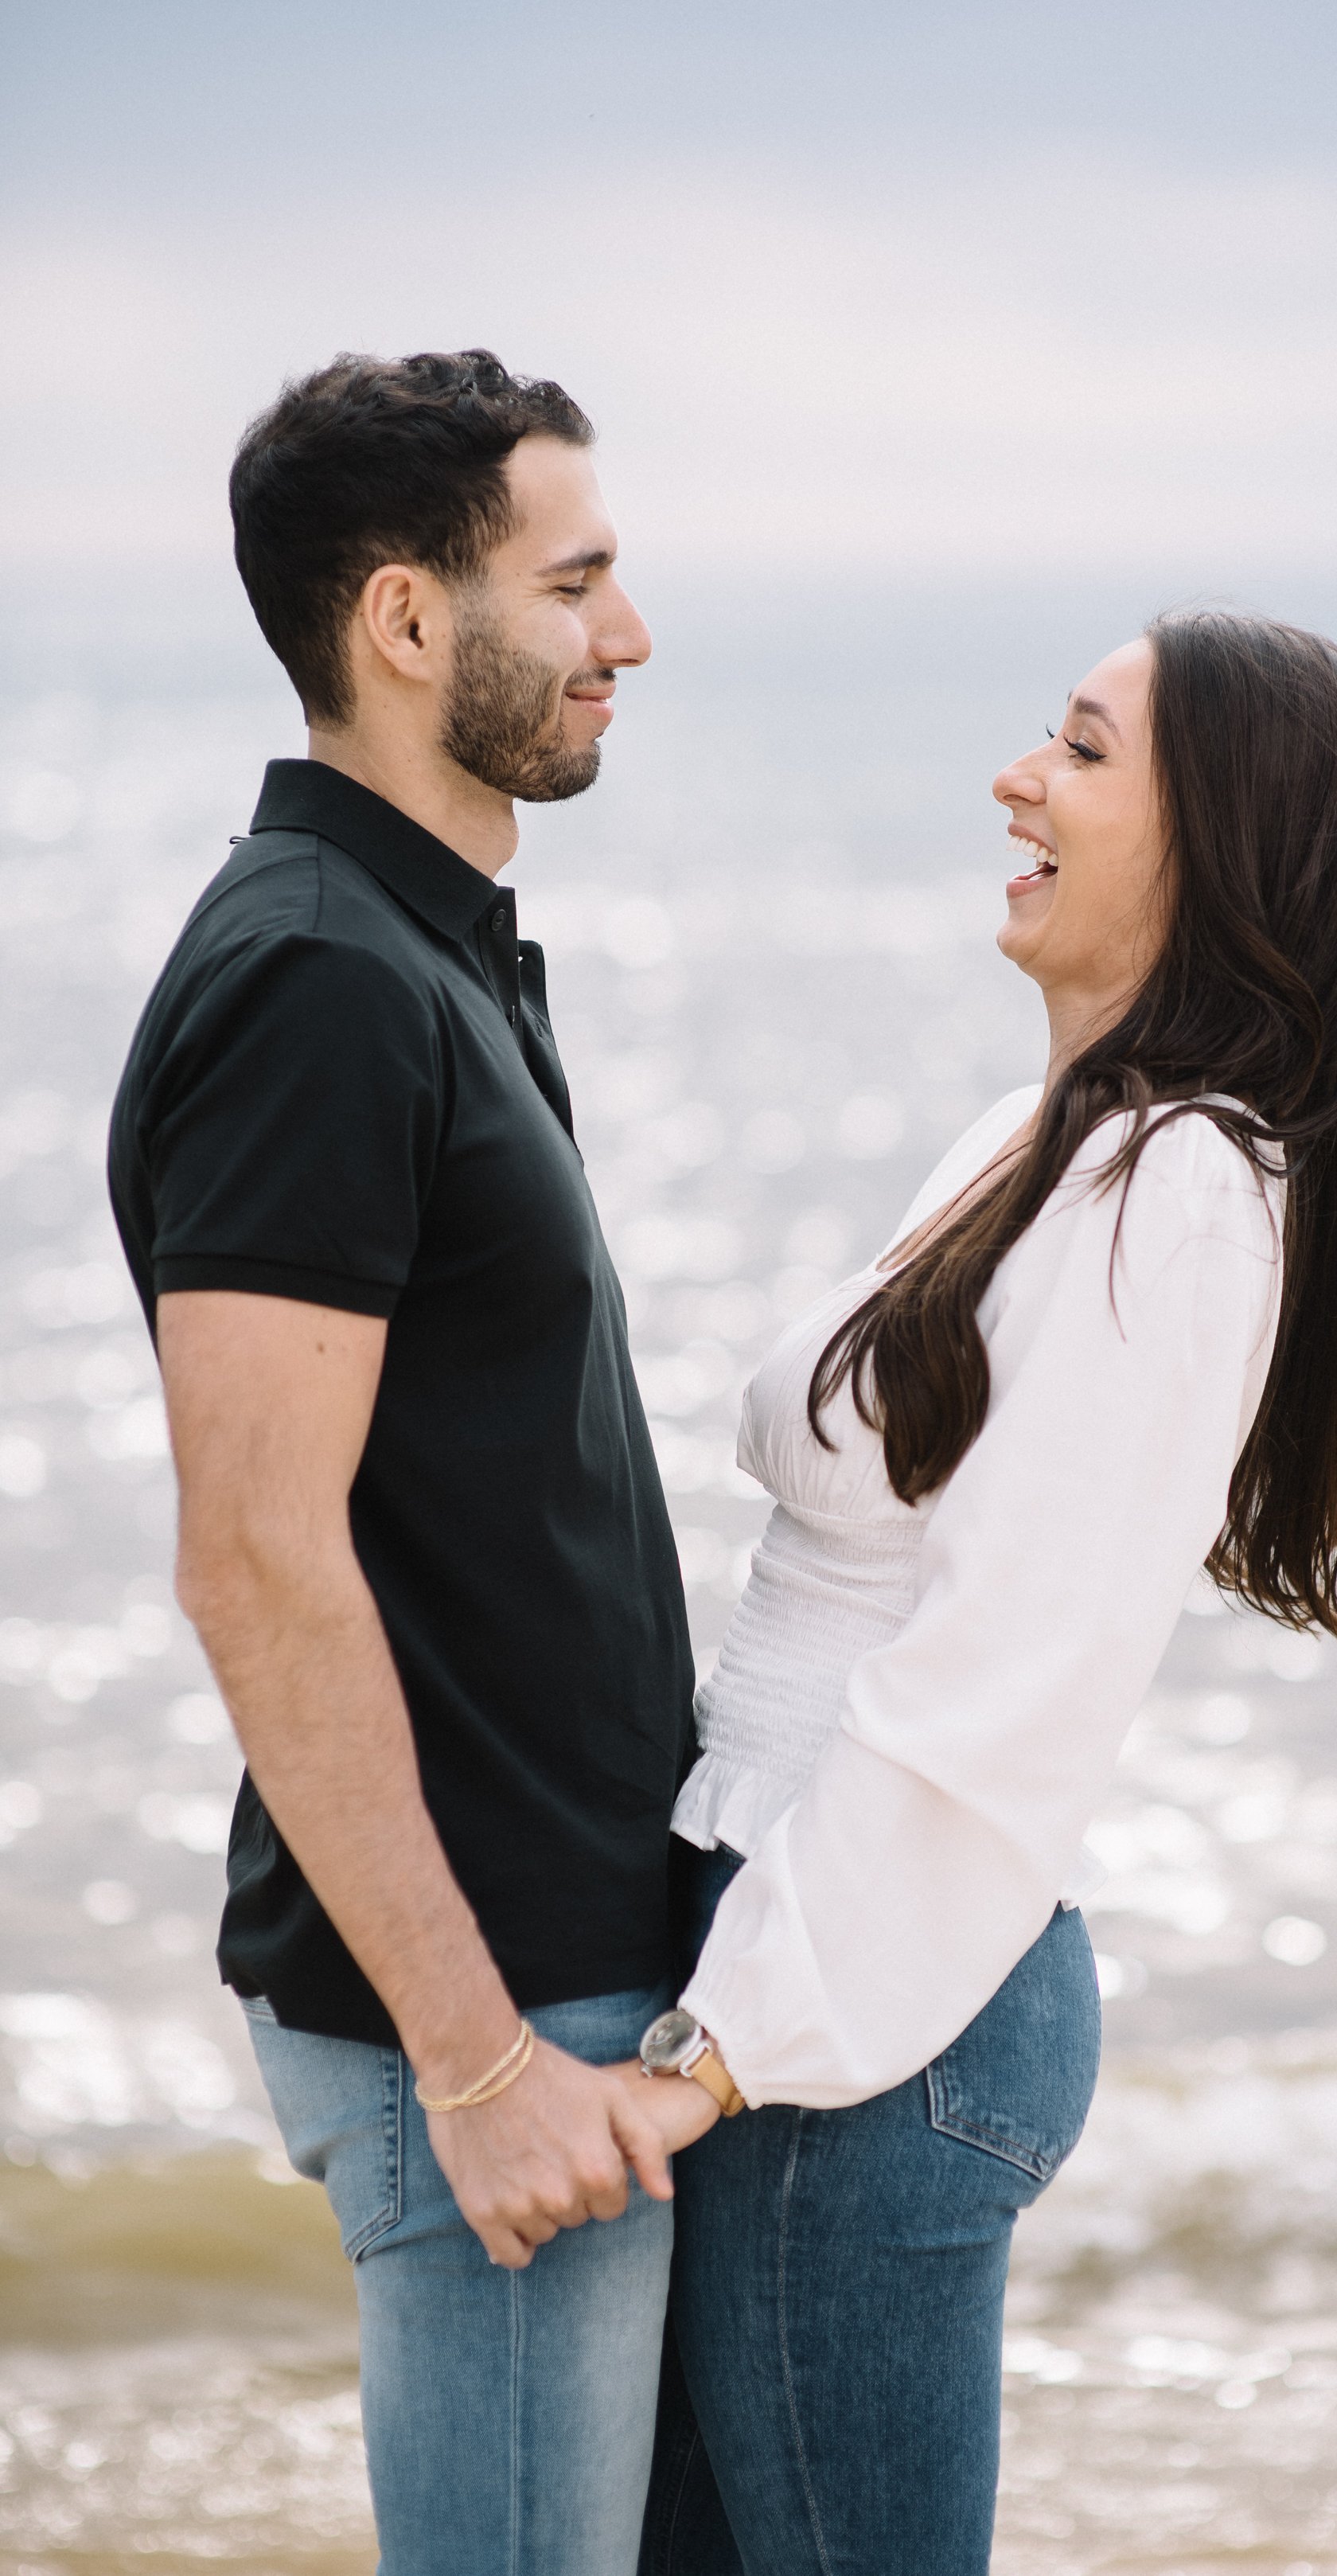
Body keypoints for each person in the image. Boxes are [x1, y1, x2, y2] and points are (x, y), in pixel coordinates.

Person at [621, 611, 1337, 2574]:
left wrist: (716, 2052)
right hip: (798, 1956)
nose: (1017, 777)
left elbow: (1005, 1691)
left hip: (863, 2011)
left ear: (1218, 848)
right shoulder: (1047, 1142)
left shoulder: (1177, 1193)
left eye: (1079, 750)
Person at [108, 349, 716, 2576]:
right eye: (576, 583)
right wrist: (479, 2059)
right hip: (482, 2025)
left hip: (561, 1997)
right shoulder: (317, 981)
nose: (627, 635)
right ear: (400, 622)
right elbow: (255, 1557)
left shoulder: (429, 945)